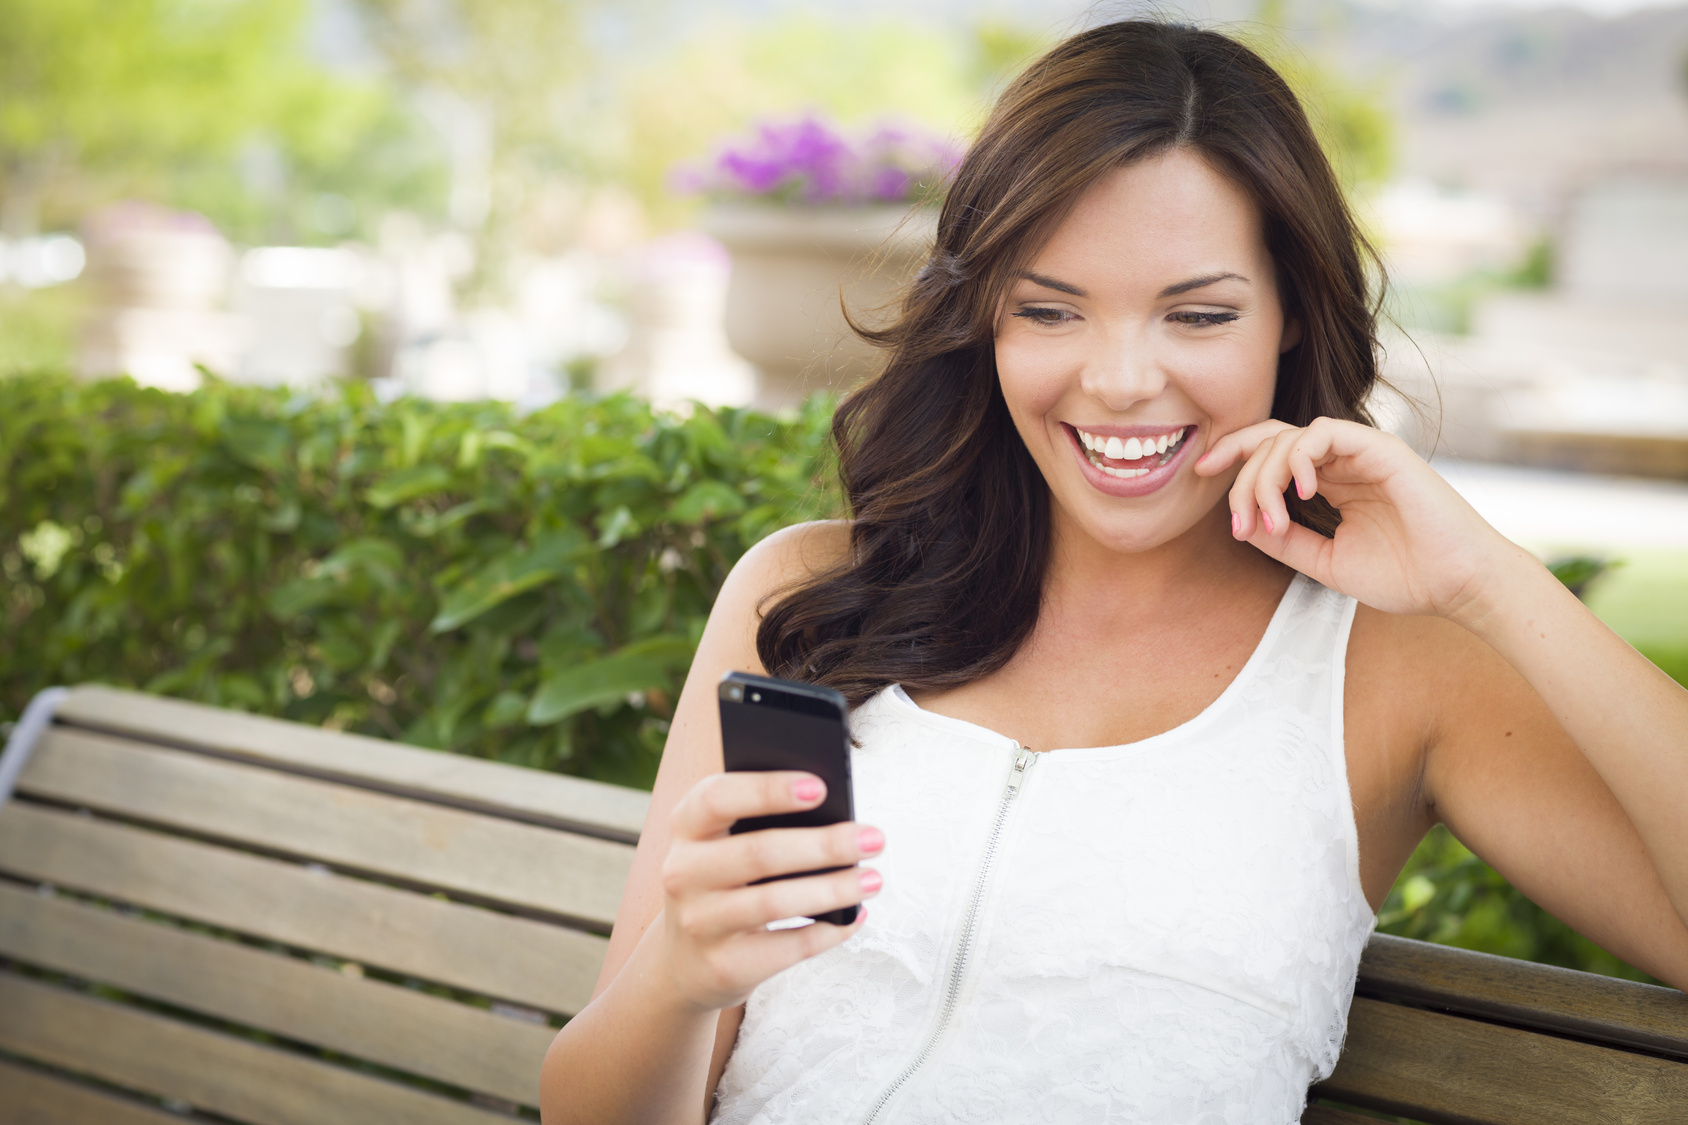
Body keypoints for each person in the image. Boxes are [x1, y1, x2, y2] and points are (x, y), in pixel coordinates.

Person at [542, 20, 1688, 1124]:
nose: (1119, 379)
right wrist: (679, 978)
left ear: (1288, 317)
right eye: (1049, 309)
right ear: (982, 315)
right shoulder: (806, 603)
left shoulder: (1397, 660)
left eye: (1195, 315)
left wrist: (1487, 577)